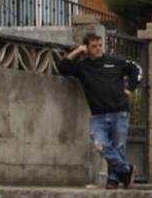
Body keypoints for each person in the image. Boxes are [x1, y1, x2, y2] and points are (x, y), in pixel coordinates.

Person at [57, 30, 144, 188]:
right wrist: (77, 51)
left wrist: (130, 89)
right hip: (98, 116)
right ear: (87, 48)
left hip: (119, 112)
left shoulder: (114, 62)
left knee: (118, 146)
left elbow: (136, 69)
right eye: (94, 46)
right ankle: (126, 170)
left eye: (99, 45)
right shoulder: (82, 67)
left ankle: (113, 180)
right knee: (100, 144)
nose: (98, 49)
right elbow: (62, 67)